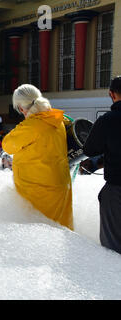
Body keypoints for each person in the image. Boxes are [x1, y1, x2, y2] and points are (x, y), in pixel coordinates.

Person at [2, 84, 73, 230]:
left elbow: (7, 145)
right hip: (61, 185)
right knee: (63, 231)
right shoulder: (57, 120)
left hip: (37, 190)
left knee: (40, 236)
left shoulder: (32, 126)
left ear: (21, 108)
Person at [83, 76, 121, 253]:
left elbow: (90, 149)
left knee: (113, 250)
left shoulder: (108, 120)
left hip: (117, 190)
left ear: (111, 94)